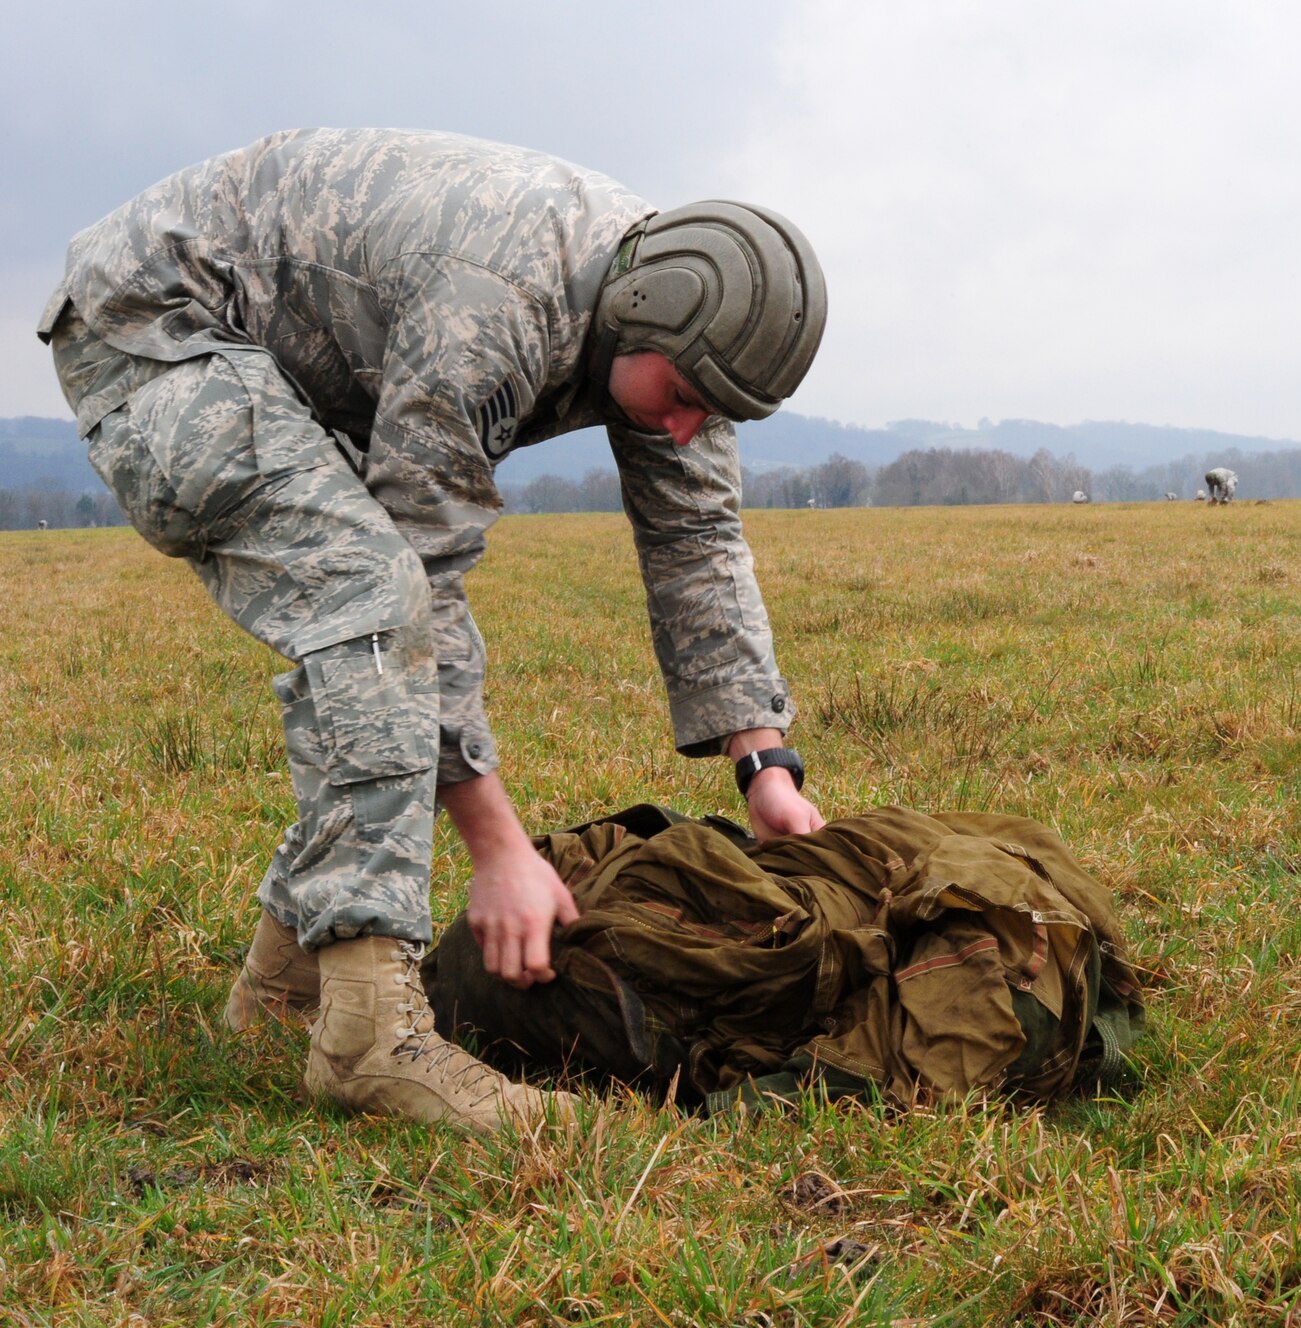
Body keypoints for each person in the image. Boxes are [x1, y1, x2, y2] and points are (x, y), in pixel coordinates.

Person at [39, 128, 829, 1132]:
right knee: (376, 602)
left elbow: (698, 541)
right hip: (157, 326)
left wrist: (763, 762)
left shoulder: (690, 330)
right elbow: (421, 565)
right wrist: (498, 849)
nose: (685, 427)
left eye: (715, 410)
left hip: (281, 357)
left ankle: (283, 994)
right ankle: (371, 1034)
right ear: (638, 313)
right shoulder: (500, 303)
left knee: (376, 627)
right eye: (682, 399)